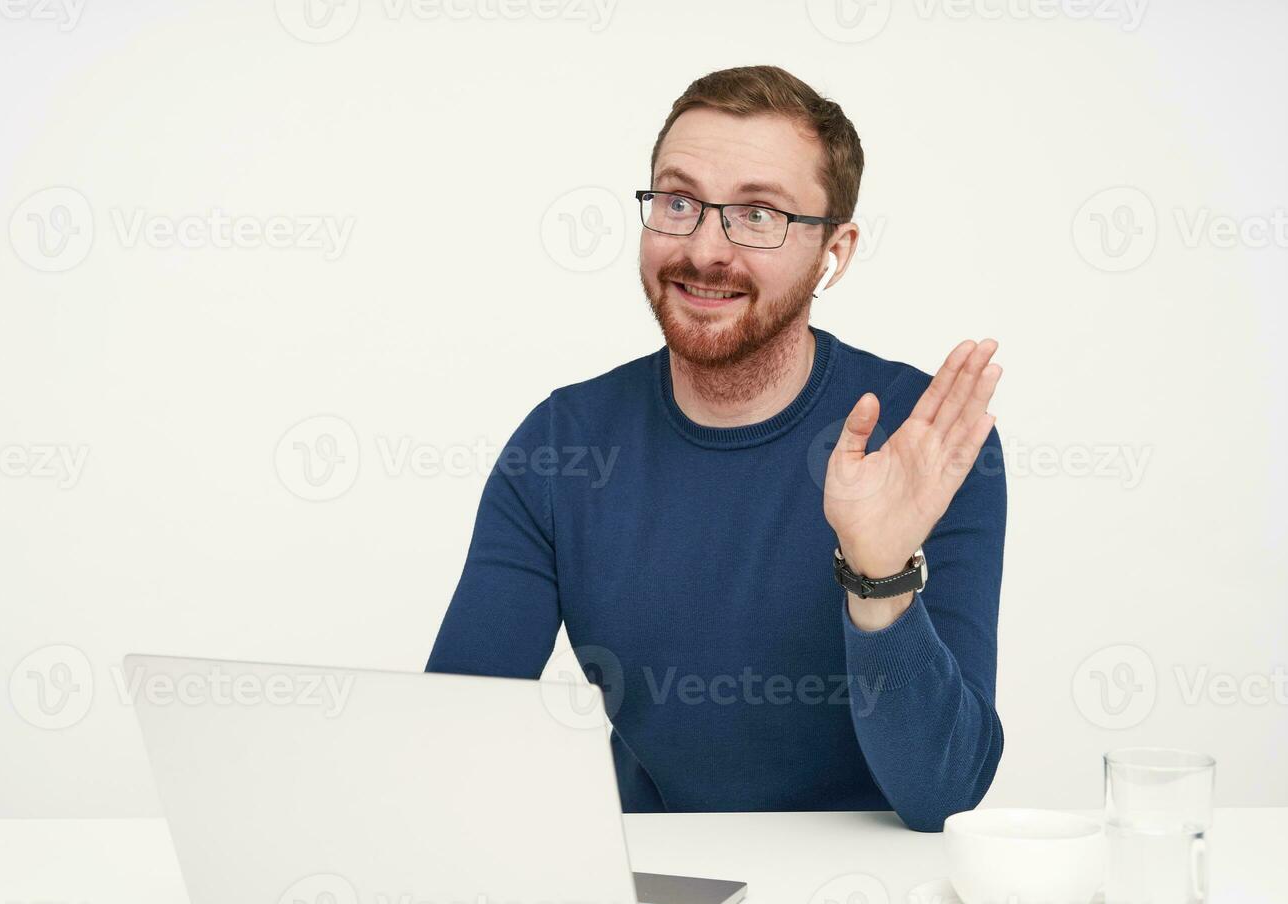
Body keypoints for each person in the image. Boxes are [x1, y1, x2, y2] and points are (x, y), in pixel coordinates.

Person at [426, 65, 1004, 832]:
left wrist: (880, 578)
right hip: (653, 889)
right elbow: (450, 748)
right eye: (677, 202)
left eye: (758, 214)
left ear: (836, 249)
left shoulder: (924, 440)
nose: (704, 249)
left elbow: (945, 796)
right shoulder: (563, 445)